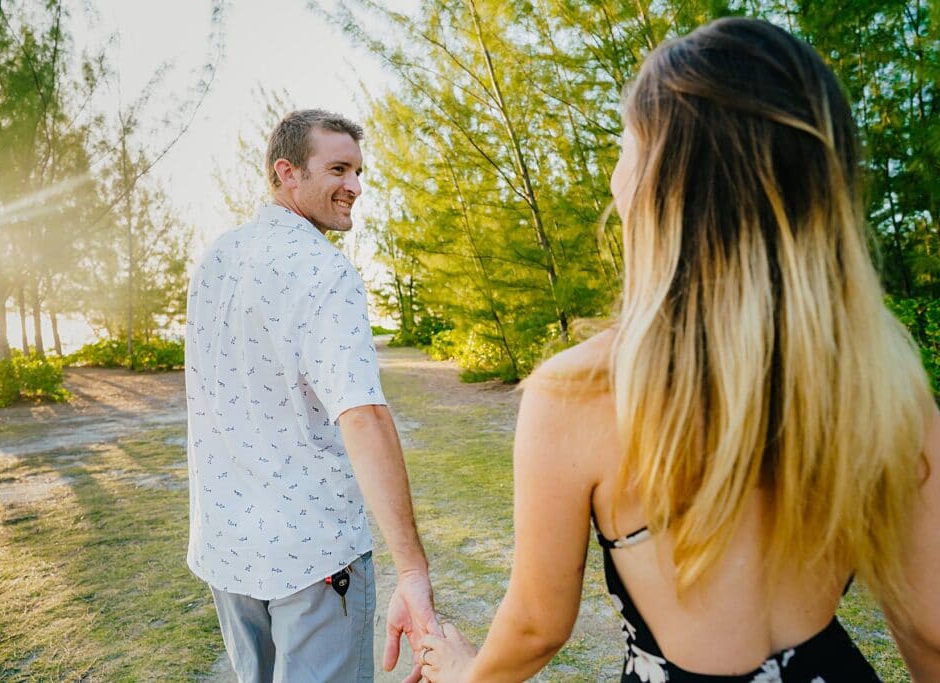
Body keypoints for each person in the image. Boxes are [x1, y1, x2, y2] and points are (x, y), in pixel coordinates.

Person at [419, 18, 940, 683]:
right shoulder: (883, 380)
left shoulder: (581, 391)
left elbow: (536, 626)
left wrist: (466, 674)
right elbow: (930, 630)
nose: (615, 176)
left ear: (664, 185)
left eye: (625, 147)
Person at [185, 109, 439, 683]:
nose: (354, 186)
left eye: (358, 171)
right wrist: (412, 569)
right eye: (339, 169)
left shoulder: (215, 262)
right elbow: (364, 414)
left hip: (227, 549)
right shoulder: (324, 270)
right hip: (313, 554)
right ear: (287, 172)